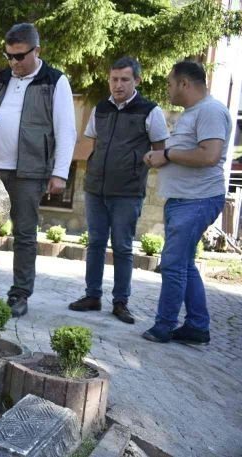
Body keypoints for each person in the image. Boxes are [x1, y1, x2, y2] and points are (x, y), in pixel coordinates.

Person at [0, 23, 77, 317]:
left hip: (30, 171)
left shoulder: (55, 81)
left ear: (37, 51)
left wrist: (60, 173)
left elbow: (66, 130)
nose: (14, 63)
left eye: (20, 56)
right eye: (9, 56)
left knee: (24, 234)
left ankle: (20, 294)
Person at [68, 57, 169, 324]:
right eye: (114, 79)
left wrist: (137, 166)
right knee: (95, 243)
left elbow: (160, 151)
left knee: (123, 247)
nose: (118, 85)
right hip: (95, 188)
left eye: (125, 79)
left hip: (127, 191)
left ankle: (121, 302)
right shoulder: (101, 108)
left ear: (137, 80)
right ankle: (92, 296)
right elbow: (92, 143)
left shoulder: (150, 111)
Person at [141, 61, 232, 344]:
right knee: (184, 264)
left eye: (170, 83)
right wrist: (162, 156)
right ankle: (197, 326)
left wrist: (166, 156)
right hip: (184, 200)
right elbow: (191, 152)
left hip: (197, 200)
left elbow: (209, 155)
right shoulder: (194, 112)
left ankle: (164, 326)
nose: (167, 89)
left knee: (172, 264)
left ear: (184, 84)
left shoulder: (210, 111)